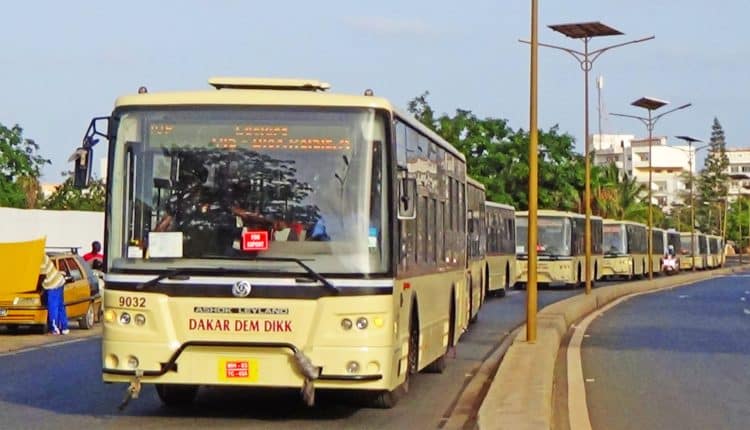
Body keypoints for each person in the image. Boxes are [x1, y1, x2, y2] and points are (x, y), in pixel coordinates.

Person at [40, 254, 69, 335]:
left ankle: (54, 329)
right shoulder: (43, 255)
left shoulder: (39, 259)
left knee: (53, 307)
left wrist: (40, 289)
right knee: (60, 306)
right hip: (59, 281)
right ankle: (64, 328)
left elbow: (41, 275)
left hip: (53, 284)